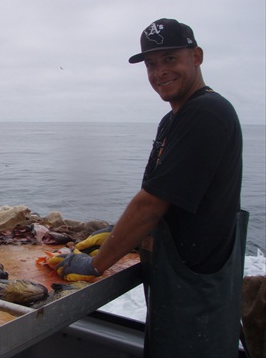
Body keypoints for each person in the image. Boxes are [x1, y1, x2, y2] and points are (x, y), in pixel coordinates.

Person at [56, 18, 248, 357]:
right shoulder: (173, 119)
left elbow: (151, 204)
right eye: (151, 64)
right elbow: (163, 194)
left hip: (197, 289)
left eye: (170, 59)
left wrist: (95, 265)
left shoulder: (207, 113)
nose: (159, 72)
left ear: (196, 56)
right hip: (175, 281)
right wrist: (116, 233)